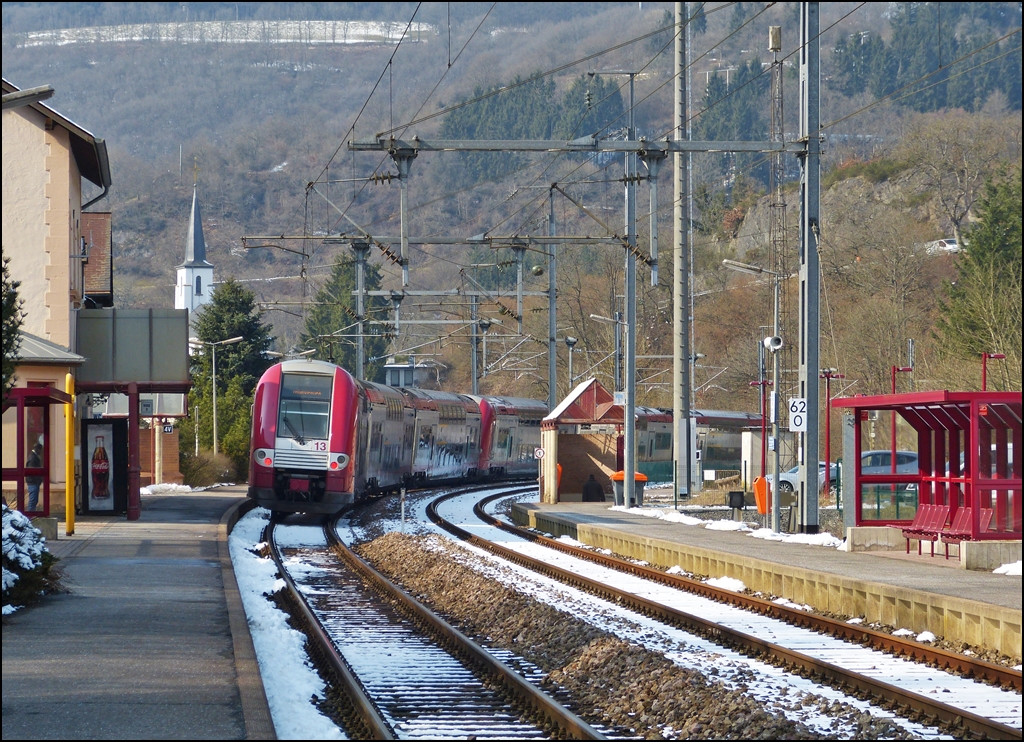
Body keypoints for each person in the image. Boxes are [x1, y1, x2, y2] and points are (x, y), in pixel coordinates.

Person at [26, 442, 43, 512]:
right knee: (33, 500)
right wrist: (38, 479)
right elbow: (32, 471)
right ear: (38, 449)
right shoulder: (33, 458)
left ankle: (31, 515)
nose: (40, 452)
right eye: (40, 450)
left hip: (34, 482)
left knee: (34, 500)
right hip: (33, 482)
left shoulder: (34, 457)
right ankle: (29, 517)